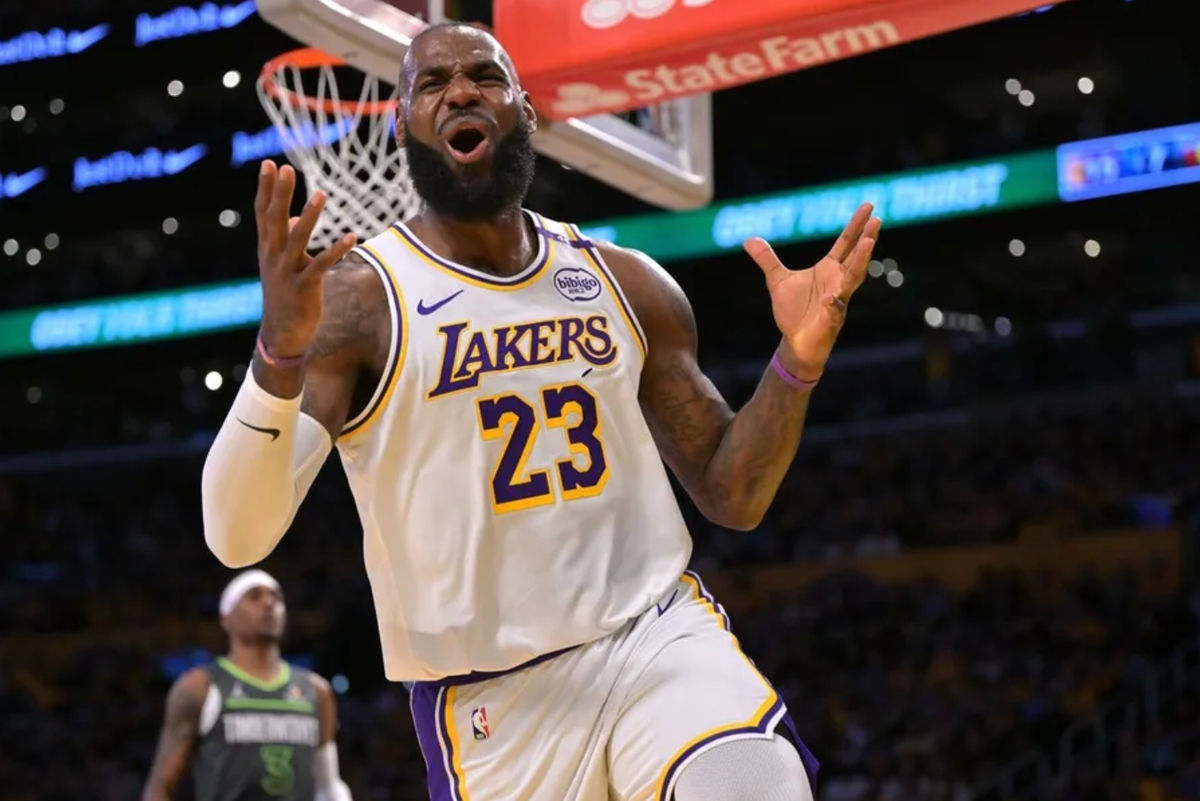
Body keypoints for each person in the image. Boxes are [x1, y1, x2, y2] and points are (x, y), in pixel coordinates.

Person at [201, 22, 880, 801]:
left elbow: (734, 491)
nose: (461, 90)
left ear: (525, 108)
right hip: (495, 705)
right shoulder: (360, 304)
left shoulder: (628, 283)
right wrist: (278, 354)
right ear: (400, 124)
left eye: (485, 76)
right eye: (433, 82)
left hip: (653, 639)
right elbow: (236, 535)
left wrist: (796, 362)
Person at [141, 570, 352, 801]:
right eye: (254, 596)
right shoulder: (200, 687)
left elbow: (329, 785)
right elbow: (160, 786)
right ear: (226, 616)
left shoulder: (316, 690)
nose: (269, 603)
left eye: (276, 597)